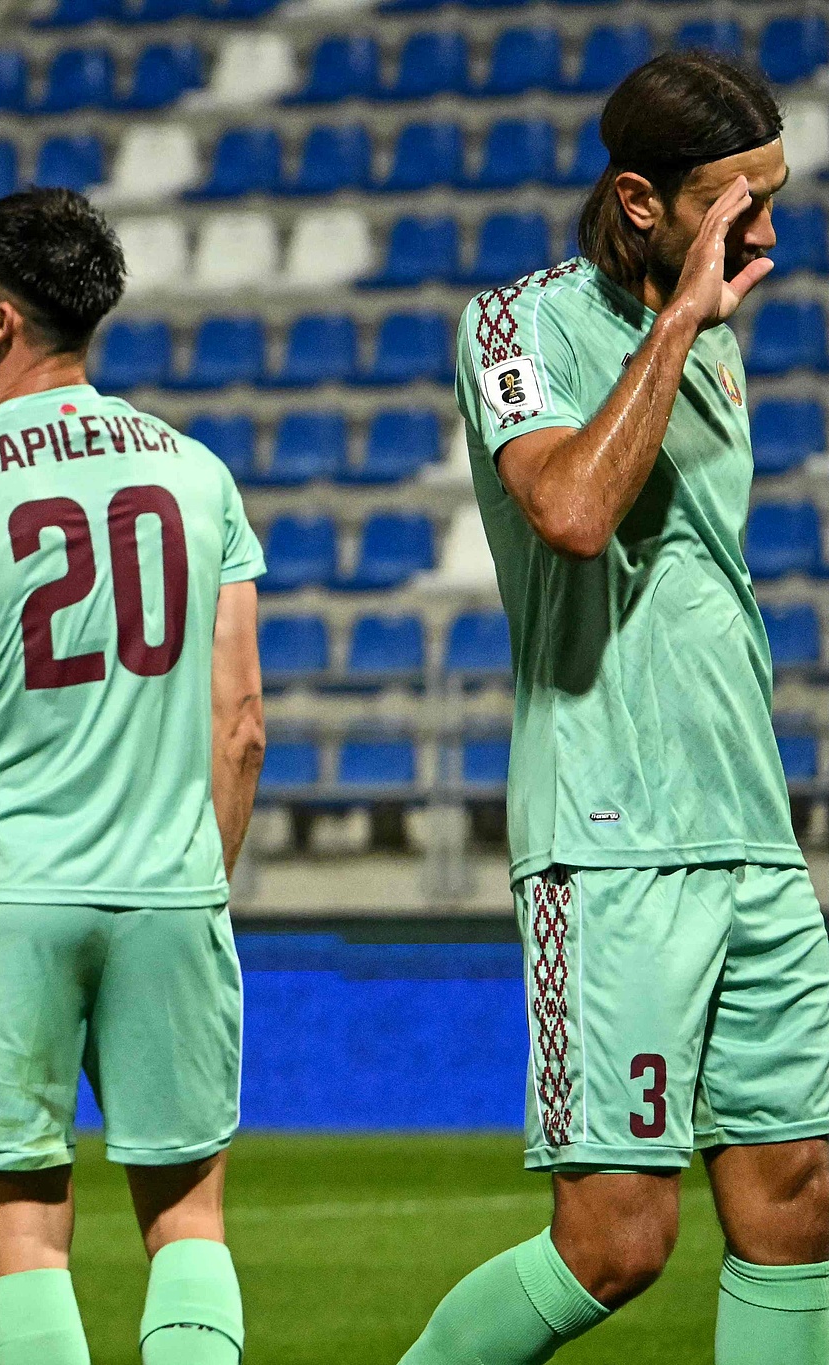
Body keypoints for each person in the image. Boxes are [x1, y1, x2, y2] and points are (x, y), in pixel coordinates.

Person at [399, 51, 829, 1365]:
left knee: (799, 1205)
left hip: (749, 830)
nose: (764, 235)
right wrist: (678, 324)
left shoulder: (715, 344)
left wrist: (692, 321)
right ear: (641, 202)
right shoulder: (514, 326)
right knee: (616, 1243)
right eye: (734, 206)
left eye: (771, 198)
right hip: (608, 838)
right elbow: (572, 512)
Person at [0, 187, 268, 1365]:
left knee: (25, 1240)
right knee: (188, 1222)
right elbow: (240, 726)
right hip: (167, 888)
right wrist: (196, 876)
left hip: (4, 894)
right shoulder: (196, 475)